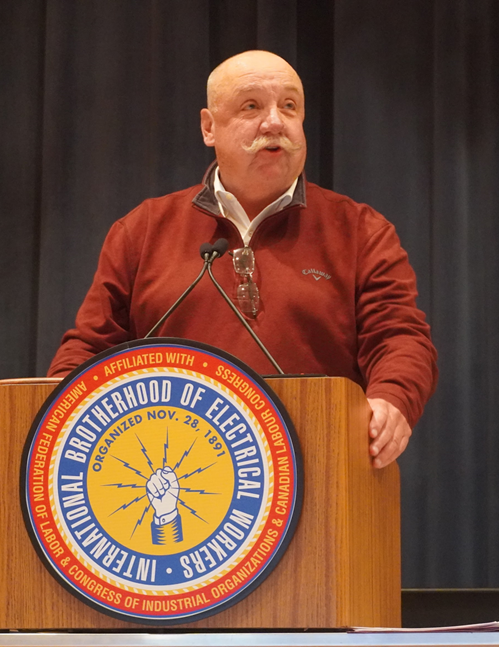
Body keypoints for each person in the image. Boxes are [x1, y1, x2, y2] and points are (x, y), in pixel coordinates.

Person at [48, 50, 438, 469]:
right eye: (251, 106)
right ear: (208, 127)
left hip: (321, 474)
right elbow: (90, 348)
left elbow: (400, 338)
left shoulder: (360, 230)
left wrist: (391, 399)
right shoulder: (143, 230)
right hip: (174, 474)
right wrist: (49, 413)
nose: (274, 122)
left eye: (289, 106)